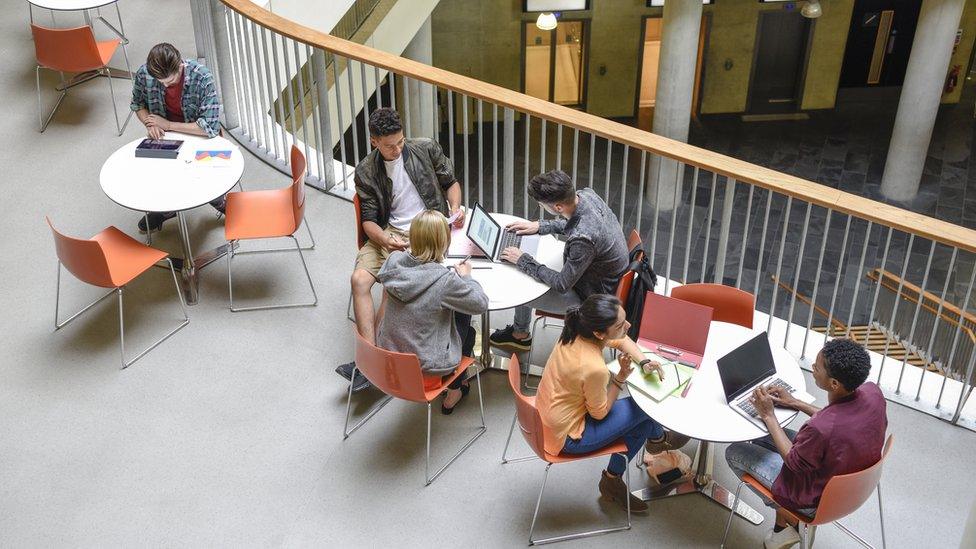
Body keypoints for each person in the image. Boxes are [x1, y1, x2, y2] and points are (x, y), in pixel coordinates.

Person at [336, 108, 466, 391]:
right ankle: (370, 358)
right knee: (359, 280)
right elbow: (368, 221)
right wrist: (384, 239)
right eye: (389, 146)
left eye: (400, 142)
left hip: (424, 229)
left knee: (391, 286)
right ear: (374, 142)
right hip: (388, 233)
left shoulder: (426, 148)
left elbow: (451, 183)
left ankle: (372, 364)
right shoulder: (366, 171)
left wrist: (454, 208)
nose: (397, 149)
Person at [724, 338, 887, 549]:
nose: (813, 368)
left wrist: (768, 415)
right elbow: (840, 421)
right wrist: (795, 402)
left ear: (834, 384)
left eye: (817, 368)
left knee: (734, 451)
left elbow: (793, 462)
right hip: (852, 485)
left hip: (816, 499)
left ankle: (790, 518)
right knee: (758, 435)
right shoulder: (873, 393)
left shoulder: (821, 428)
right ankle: (782, 529)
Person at [535, 293, 684, 513]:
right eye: (620, 324)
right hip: (567, 437)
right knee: (646, 406)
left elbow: (621, 339)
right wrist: (620, 378)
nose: (629, 325)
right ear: (599, 332)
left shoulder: (576, 331)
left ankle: (651, 443)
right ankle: (655, 441)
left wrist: (643, 361)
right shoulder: (594, 367)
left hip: (544, 416)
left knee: (642, 422)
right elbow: (600, 413)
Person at [489, 170, 628, 353]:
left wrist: (523, 259)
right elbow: (576, 222)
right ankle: (519, 333)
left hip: (592, 296)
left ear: (558, 207)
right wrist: (540, 226)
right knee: (530, 270)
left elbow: (562, 283)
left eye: (541, 204)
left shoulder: (583, 240)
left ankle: (519, 335)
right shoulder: (587, 195)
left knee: (522, 283)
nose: (541, 207)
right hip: (603, 280)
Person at [375, 210, 488, 413]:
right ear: (444, 242)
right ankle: (454, 390)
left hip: (388, 362)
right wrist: (467, 277)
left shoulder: (393, 262)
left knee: (453, 309)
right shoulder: (445, 281)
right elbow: (480, 303)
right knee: (468, 327)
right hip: (424, 373)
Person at [129, 43, 224, 234]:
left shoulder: (202, 76)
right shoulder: (144, 73)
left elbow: (210, 127)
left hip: (200, 135)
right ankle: (166, 210)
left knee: (206, 174)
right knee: (157, 174)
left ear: (180, 66)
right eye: (160, 82)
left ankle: (218, 200)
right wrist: (151, 123)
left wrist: (168, 124)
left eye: (170, 81)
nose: (164, 85)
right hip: (165, 137)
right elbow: (137, 104)